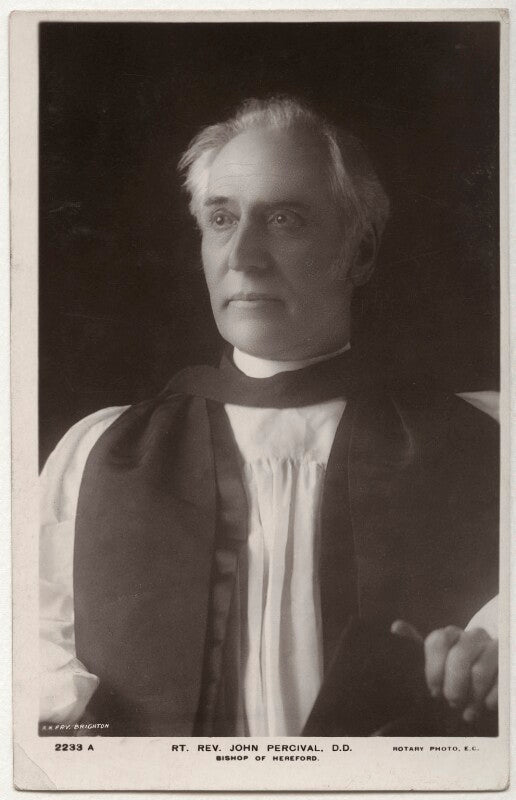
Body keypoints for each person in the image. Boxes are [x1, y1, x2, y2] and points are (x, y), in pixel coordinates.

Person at [40, 97, 499, 737]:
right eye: (221, 219)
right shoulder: (100, 452)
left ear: (360, 253)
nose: (243, 255)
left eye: (284, 219)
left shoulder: (485, 440)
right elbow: (30, 651)